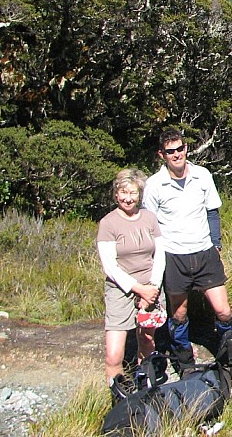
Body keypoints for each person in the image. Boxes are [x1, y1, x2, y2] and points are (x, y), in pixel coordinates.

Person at [142, 126, 232, 371]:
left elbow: (212, 212)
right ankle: (183, 358)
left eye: (180, 149)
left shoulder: (202, 176)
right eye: (171, 152)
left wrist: (216, 244)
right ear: (162, 155)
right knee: (179, 314)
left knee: (223, 311)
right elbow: (149, 224)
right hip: (174, 256)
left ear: (186, 148)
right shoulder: (155, 185)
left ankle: (230, 351)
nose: (177, 154)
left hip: (204, 252)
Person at [96, 168, 166, 391]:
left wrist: (152, 288)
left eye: (133, 193)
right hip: (121, 288)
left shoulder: (149, 218)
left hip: (150, 285)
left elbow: (160, 254)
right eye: (123, 192)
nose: (128, 198)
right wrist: (139, 289)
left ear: (140, 194)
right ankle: (116, 395)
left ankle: (145, 387)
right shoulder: (108, 223)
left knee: (147, 340)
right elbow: (110, 266)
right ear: (116, 194)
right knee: (114, 353)